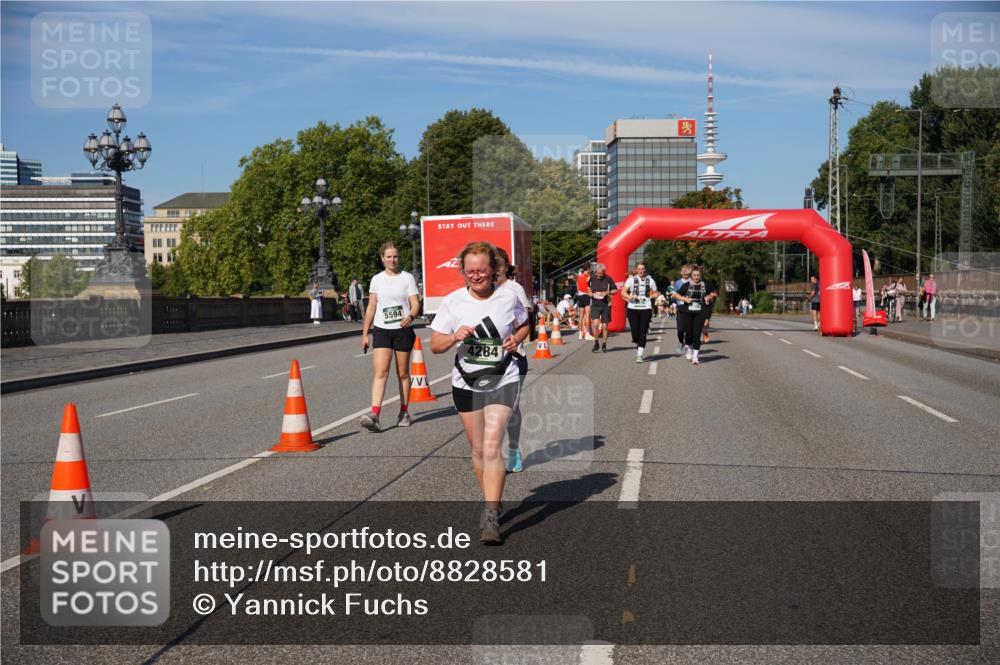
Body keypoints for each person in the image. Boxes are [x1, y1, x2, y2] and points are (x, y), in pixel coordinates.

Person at [430, 242, 530, 545]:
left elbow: (524, 325)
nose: (476, 276)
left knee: (491, 446)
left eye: (482, 271)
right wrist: (452, 336)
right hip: (466, 382)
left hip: (503, 378)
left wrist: (515, 339)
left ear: (493, 270)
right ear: (462, 271)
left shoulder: (508, 296)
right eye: (470, 271)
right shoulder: (453, 302)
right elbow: (435, 346)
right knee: (477, 450)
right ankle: (492, 497)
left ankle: (490, 515)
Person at [360, 241, 421, 433]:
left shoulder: (407, 278)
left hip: (402, 330)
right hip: (381, 329)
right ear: (382, 258)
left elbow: (415, 303)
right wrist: (365, 333)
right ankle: (375, 414)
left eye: (395, 256)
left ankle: (404, 411)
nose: (392, 260)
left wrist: (410, 316)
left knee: (402, 373)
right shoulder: (376, 279)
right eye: (388, 256)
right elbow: (371, 307)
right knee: (380, 372)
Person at [495, 247, 532, 474]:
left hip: (514, 358)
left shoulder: (513, 289)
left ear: (506, 267)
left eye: (498, 264)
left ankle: (514, 449)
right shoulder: (479, 291)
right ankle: (491, 451)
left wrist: (515, 338)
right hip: (485, 362)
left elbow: (525, 320)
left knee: (509, 407)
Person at [672, 266, 716, 365]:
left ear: (701, 276)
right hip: (688, 312)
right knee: (689, 333)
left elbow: (713, 294)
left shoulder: (706, 284)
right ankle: (688, 348)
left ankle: (695, 356)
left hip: (700, 312)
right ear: (691, 276)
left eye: (698, 275)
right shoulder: (686, 285)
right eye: (694, 275)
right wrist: (685, 299)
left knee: (697, 334)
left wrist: (709, 297)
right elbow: (675, 295)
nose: (696, 277)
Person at [622, 262, 658, 363]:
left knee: (642, 332)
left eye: (643, 269)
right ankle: (638, 343)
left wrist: (655, 295)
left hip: (646, 308)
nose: (641, 271)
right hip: (632, 308)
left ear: (645, 269)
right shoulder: (631, 280)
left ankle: (640, 354)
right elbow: (623, 292)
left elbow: (655, 292)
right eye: (639, 269)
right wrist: (630, 297)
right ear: (636, 270)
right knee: (635, 333)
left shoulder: (650, 280)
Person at [587, 263, 618, 353]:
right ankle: (596, 342)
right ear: (595, 272)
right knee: (595, 324)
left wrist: (607, 292)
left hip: (606, 305)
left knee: (604, 326)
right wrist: (593, 294)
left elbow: (615, 290)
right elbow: (588, 290)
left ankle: (604, 344)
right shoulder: (591, 279)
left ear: (604, 272)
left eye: (601, 273)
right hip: (595, 304)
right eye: (598, 273)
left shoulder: (608, 279)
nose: (599, 275)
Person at [673, 264, 693, 353]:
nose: (685, 274)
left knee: (689, 329)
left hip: (691, 308)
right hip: (680, 308)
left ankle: (688, 345)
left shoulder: (693, 281)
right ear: (681, 273)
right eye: (683, 272)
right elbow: (674, 294)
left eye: (686, 273)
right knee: (680, 330)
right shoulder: (677, 282)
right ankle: (681, 342)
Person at [575, 267, 593, 340]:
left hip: (580, 296)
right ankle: (587, 333)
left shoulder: (578, 277)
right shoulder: (588, 277)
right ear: (587, 270)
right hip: (586, 295)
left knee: (581, 316)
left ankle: (580, 334)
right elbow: (590, 288)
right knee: (587, 315)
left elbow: (578, 288)